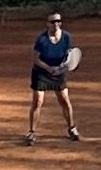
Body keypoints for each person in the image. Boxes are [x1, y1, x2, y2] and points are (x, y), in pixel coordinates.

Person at [25, 10, 82, 144]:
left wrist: (61, 68)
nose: (55, 24)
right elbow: (35, 59)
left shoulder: (66, 37)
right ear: (48, 24)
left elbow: (68, 55)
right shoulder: (42, 39)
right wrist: (49, 68)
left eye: (58, 21)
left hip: (58, 74)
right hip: (41, 73)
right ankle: (32, 132)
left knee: (65, 101)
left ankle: (71, 128)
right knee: (38, 101)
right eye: (52, 22)